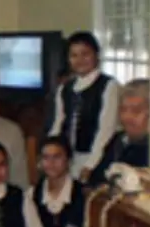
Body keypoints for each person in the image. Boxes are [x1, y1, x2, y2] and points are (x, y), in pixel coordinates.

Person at [47, 31, 120, 181]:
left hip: (98, 157)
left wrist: (90, 164)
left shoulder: (108, 85)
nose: (80, 60)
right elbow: (58, 124)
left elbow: (106, 128)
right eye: (74, 55)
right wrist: (49, 155)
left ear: (96, 55)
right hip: (69, 159)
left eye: (85, 54)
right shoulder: (65, 89)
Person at [88, 79, 150, 187]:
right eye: (123, 109)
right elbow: (96, 179)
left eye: (136, 111)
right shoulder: (119, 140)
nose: (127, 117)